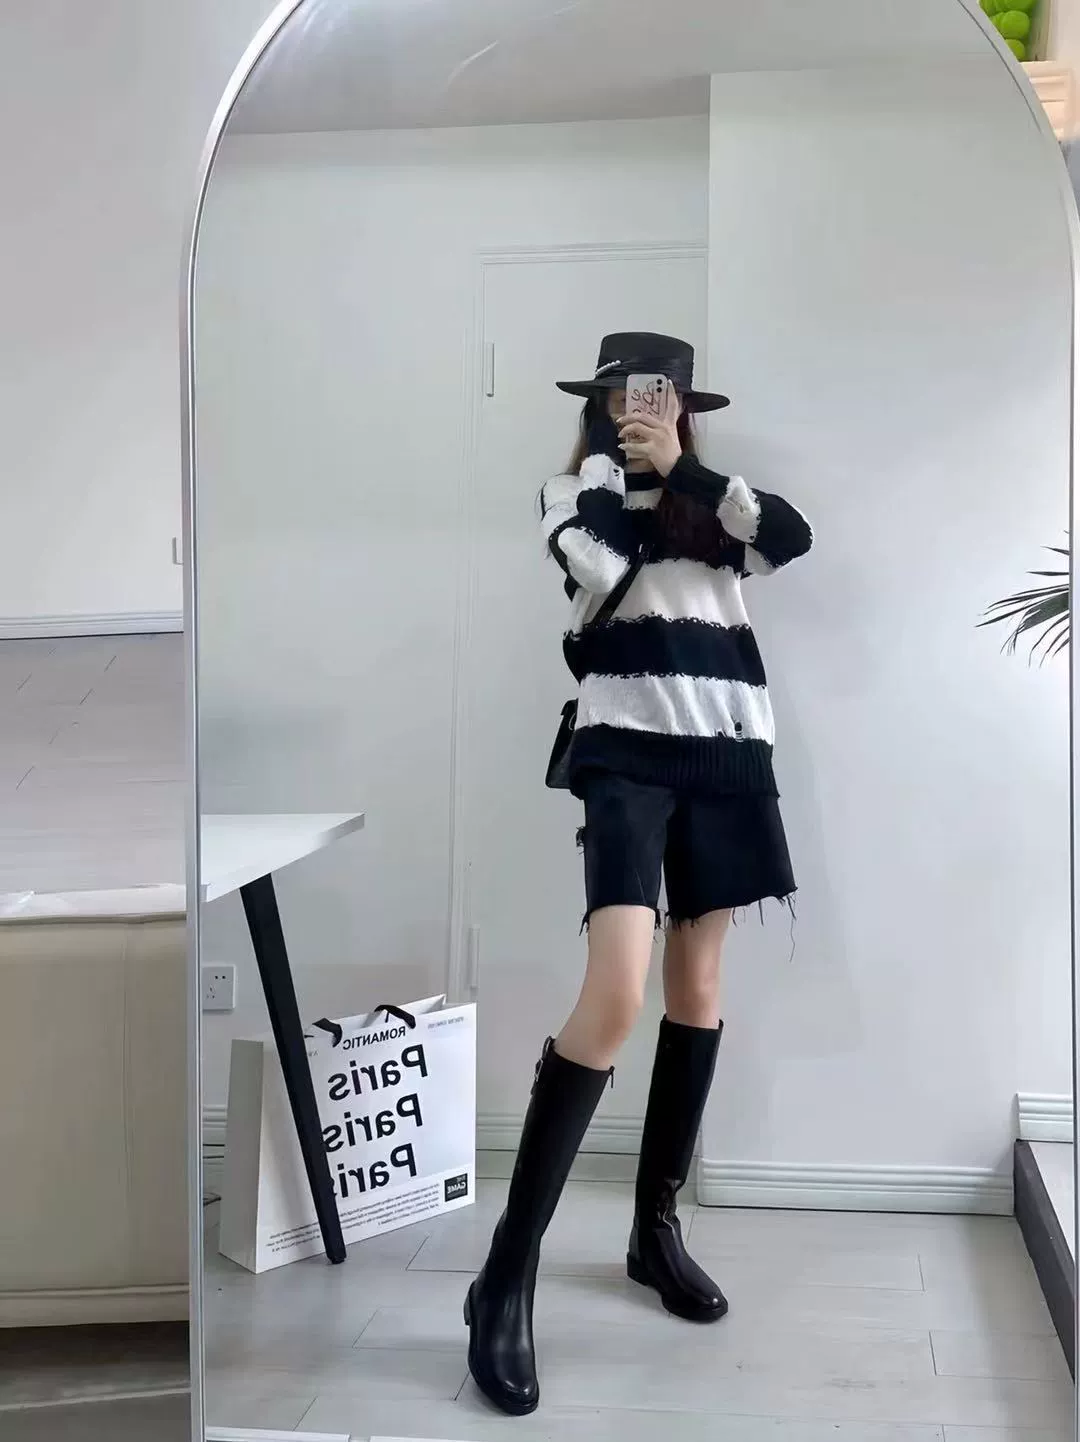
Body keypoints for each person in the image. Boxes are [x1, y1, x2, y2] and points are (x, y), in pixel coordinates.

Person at [464, 332, 813, 1416]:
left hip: (728, 753)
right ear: (599, 403)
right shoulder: (572, 495)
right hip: (623, 756)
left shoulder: (716, 503)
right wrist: (629, 474)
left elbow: (791, 538)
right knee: (614, 996)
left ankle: (653, 1231)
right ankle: (506, 1273)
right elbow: (604, 571)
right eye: (620, 394)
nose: (637, 409)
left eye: (656, 396)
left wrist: (688, 474)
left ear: (684, 404)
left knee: (697, 989)